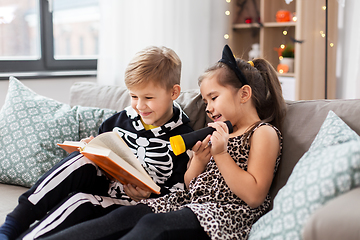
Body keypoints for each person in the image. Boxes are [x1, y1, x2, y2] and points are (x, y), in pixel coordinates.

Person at [39, 44, 287, 240]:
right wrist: (198, 164)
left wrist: (221, 155)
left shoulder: (263, 132)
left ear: (244, 94)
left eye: (213, 98)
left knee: (152, 225)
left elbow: (254, 196)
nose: (209, 108)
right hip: (187, 204)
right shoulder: (219, 132)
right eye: (205, 101)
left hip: (224, 216)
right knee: (123, 217)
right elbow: (193, 186)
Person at [0, 46, 194, 240]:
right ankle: (13, 224)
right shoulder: (118, 121)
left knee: (80, 201)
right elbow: (103, 155)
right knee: (81, 159)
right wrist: (92, 150)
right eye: (134, 96)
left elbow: (179, 196)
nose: (140, 105)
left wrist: (147, 196)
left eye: (148, 98)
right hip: (104, 186)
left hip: (134, 208)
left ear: (174, 92)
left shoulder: (187, 137)